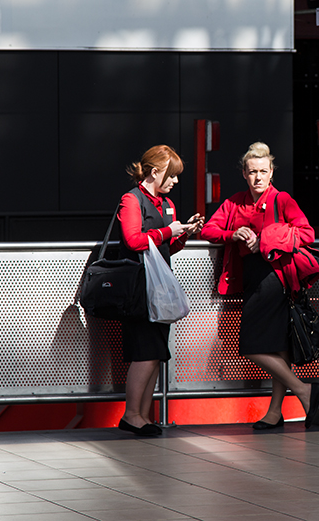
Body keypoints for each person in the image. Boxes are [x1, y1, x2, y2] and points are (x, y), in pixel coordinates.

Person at [201, 142, 319, 430]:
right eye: (252, 172)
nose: (258, 177)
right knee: (277, 347)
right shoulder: (235, 202)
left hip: (276, 277)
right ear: (244, 174)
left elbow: (306, 232)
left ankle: (304, 390)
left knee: (251, 345)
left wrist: (266, 238)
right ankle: (274, 412)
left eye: (263, 171)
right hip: (251, 276)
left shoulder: (282, 199)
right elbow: (210, 229)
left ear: (271, 173)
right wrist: (234, 234)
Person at [116, 144, 203, 436]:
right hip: (139, 288)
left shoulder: (165, 203)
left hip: (159, 289)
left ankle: (141, 414)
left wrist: (184, 233)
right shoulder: (132, 200)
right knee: (145, 352)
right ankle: (132, 415)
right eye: (172, 175)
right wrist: (169, 231)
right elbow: (133, 240)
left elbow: (167, 246)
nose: (175, 181)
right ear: (155, 172)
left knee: (155, 352)